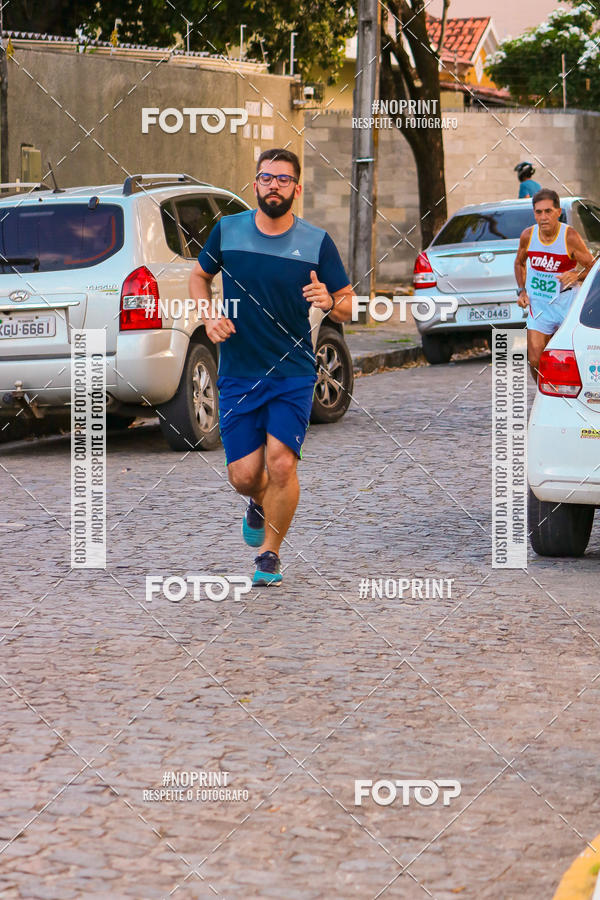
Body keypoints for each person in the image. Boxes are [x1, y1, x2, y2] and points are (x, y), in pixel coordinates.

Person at [189, 148, 355, 586]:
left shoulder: (316, 242)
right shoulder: (228, 230)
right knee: (244, 476)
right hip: (239, 371)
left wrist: (329, 301)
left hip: (292, 372)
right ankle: (259, 501)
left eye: (283, 179)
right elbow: (198, 277)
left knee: (281, 464)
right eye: (267, 178)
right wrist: (209, 316)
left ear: (297, 189)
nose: (274, 186)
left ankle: (269, 555)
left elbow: (348, 304)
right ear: (255, 184)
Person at [514, 188, 594, 382]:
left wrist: (576, 275)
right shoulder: (528, 236)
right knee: (535, 360)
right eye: (538, 212)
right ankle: (543, 394)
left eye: (548, 211)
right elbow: (519, 263)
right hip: (539, 305)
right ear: (534, 213)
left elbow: (593, 268)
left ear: (558, 212)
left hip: (567, 304)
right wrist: (522, 291)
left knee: (573, 358)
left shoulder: (569, 237)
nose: (543, 217)